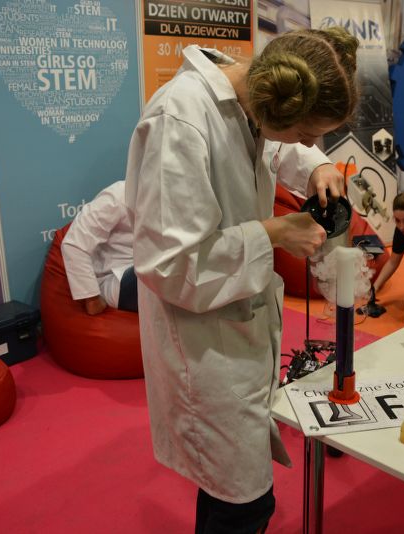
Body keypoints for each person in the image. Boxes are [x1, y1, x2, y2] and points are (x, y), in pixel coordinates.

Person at [124, 27, 359, 533]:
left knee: (227, 492)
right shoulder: (179, 120)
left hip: (241, 327)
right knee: (244, 503)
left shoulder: (250, 99)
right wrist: (273, 233)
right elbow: (169, 265)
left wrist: (317, 166)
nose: (309, 144)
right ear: (279, 109)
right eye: (307, 134)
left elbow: (273, 148)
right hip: (201, 343)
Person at [60, 180, 137, 315]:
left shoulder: (171, 199)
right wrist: (92, 299)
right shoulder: (120, 194)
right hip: (117, 279)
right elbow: (73, 244)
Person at [373, 188, 404, 294]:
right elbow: (393, 262)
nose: (401, 227)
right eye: (397, 220)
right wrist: (375, 287)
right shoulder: (400, 232)